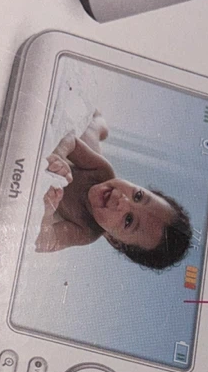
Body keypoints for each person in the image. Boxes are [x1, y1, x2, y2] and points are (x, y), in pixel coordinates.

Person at [35, 112, 192, 270]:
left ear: (114, 241)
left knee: (90, 136)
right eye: (138, 196)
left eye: (128, 220)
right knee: (90, 129)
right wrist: (59, 154)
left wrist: (47, 211)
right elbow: (72, 141)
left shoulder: (86, 231)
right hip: (80, 156)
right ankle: (100, 124)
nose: (122, 199)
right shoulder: (103, 171)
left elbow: (45, 241)